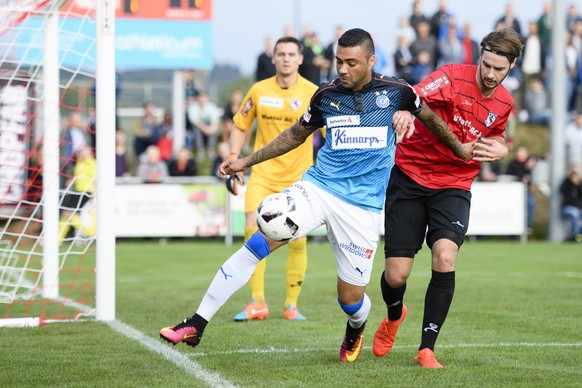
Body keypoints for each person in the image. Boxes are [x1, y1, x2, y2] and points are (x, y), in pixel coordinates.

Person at [159, 28, 472, 363]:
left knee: (350, 299)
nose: (343, 69)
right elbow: (295, 134)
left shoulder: (397, 92)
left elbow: (433, 121)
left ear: (371, 60)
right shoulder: (326, 96)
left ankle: (357, 325)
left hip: (361, 208)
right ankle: (197, 322)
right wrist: (246, 162)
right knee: (262, 234)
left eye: (351, 62)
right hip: (318, 188)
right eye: (339, 61)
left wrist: (460, 150)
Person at [372, 28, 523, 369]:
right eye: (486, 64)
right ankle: (394, 316)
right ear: (479, 57)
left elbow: (496, 137)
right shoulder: (452, 78)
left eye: (498, 69)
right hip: (409, 176)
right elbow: (414, 95)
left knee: (444, 256)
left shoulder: (505, 102)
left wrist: (502, 147)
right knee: (396, 276)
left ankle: (427, 348)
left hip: (454, 184)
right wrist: (407, 112)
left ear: (511, 66)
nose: (489, 73)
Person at [226, 36, 319, 322]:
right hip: (263, 175)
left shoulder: (315, 93)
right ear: (274, 58)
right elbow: (240, 125)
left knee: (298, 240)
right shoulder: (258, 90)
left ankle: (291, 305)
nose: (287, 59)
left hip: (299, 179)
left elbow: (331, 136)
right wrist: (233, 156)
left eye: (292, 54)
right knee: (252, 231)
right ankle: (257, 302)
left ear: (301, 59)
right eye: (281, 54)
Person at [58, 146, 97, 244]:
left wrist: (94, 195)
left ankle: (92, 233)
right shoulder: (80, 163)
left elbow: (96, 180)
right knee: (65, 214)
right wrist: (71, 182)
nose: (82, 154)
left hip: (85, 193)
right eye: (81, 152)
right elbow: (79, 177)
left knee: (68, 213)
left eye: (85, 152)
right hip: (77, 192)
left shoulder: (92, 164)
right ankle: (58, 239)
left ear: (90, 153)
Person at [506, 145, 538, 231]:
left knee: (531, 204)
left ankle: (527, 225)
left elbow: (539, 158)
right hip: (514, 192)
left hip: (525, 191)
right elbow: (509, 177)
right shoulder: (513, 164)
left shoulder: (530, 161)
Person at [187, 90, 221, 162]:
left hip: (209, 129)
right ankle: (200, 150)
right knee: (197, 129)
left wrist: (211, 129)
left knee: (215, 129)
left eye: (204, 97)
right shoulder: (193, 107)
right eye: (200, 97)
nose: (202, 99)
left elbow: (215, 121)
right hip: (199, 129)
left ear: (207, 98)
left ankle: (210, 149)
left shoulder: (212, 107)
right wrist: (206, 129)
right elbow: (196, 122)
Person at [560, 164, 582, 242]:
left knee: (578, 213)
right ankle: (577, 235)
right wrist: (570, 180)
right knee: (575, 214)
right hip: (567, 207)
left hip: (578, 207)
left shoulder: (579, 182)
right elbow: (562, 191)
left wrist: (577, 183)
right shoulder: (566, 182)